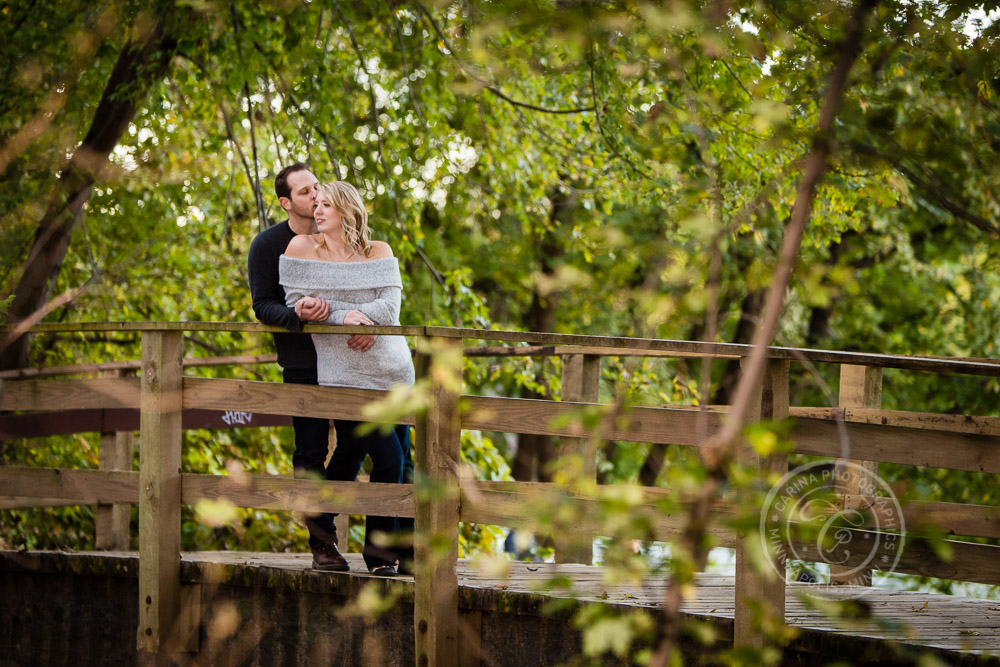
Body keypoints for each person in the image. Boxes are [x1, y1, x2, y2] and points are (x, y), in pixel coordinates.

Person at [279, 180, 415, 576]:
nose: (317, 211)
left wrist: (366, 317)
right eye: (315, 204)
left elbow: (390, 306)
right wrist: (344, 316)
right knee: (389, 458)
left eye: (326, 205)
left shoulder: (379, 251)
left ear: (347, 210)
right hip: (344, 376)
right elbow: (297, 305)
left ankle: (322, 522)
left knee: (355, 455)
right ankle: (379, 556)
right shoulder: (302, 249)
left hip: (392, 371)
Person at [247, 163, 372, 572]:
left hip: (352, 359)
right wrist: (295, 312)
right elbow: (262, 305)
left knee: (357, 443)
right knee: (310, 452)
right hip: (304, 363)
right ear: (286, 203)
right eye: (304, 192)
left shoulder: (343, 233)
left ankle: (326, 517)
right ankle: (323, 545)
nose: (316, 196)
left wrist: (372, 324)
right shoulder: (268, 245)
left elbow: (373, 288)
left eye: (317, 187)